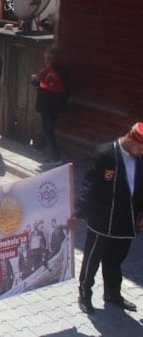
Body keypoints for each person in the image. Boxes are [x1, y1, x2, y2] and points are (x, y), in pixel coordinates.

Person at [73, 122, 143, 315]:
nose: (141, 152)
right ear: (130, 140)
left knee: (115, 260)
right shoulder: (104, 153)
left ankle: (112, 294)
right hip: (103, 219)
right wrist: (79, 212)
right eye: (140, 148)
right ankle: (85, 294)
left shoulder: (139, 158)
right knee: (92, 260)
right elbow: (89, 184)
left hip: (125, 220)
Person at [31, 46, 71, 165]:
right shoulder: (63, 70)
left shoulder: (50, 71)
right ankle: (39, 147)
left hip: (48, 106)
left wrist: (34, 81)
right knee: (47, 128)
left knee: (47, 130)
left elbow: (43, 88)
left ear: (49, 58)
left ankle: (55, 157)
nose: (44, 59)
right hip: (58, 105)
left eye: (45, 57)